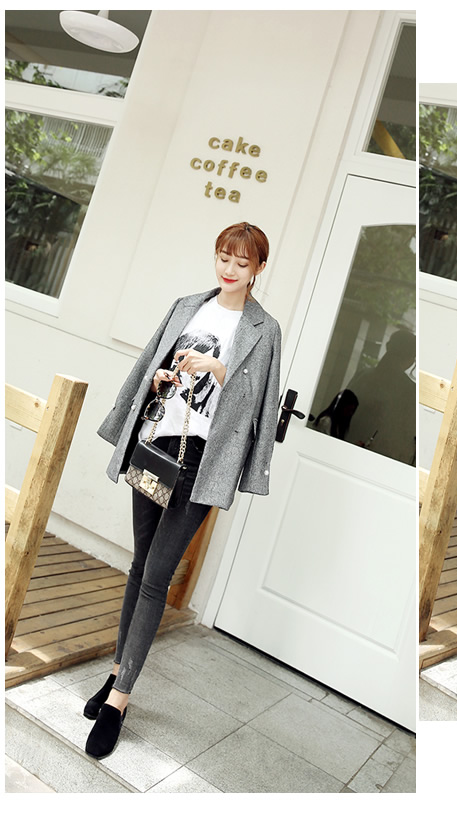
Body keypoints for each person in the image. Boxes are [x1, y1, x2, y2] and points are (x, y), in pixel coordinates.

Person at [83, 222, 280, 761]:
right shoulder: (188, 306)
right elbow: (149, 363)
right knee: (139, 567)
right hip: (158, 443)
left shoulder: (264, 329)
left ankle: (119, 701)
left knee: (156, 577)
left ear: (259, 269)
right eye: (223, 257)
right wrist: (159, 380)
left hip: (203, 462)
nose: (229, 269)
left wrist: (218, 368)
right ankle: (117, 672)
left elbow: (259, 405)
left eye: (242, 262)